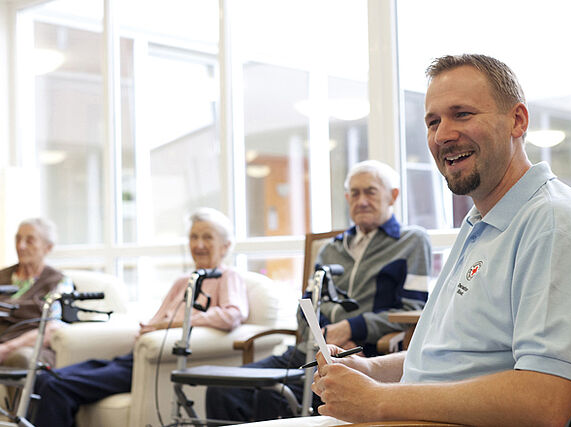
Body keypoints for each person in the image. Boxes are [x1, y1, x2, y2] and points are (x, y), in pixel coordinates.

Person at [309, 54, 571, 427]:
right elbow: (450, 360)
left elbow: (544, 401)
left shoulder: (553, 224)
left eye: (462, 114)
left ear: (518, 121)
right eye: (433, 122)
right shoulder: (482, 221)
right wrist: (370, 370)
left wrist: (379, 400)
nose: (442, 135)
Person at [205, 159, 433, 422]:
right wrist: (326, 339)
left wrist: (352, 329)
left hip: (362, 356)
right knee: (223, 389)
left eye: (370, 192)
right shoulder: (330, 249)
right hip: (310, 351)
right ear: (347, 198)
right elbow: (306, 308)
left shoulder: (411, 241)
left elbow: (413, 309)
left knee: (270, 398)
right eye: (354, 193)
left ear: (393, 196)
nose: (361, 201)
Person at [32, 208, 248, 427]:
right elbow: (155, 321)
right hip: (134, 357)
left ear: (226, 245)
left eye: (207, 237)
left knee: (55, 386)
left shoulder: (228, 276)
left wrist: (174, 324)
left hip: (154, 362)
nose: (199, 244)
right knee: (43, 379)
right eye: (194, 237)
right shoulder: (184, 281)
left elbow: (232, 315)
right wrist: (152, 327)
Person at [0, 218, 73, 368]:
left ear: (48, 248)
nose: (21, 246)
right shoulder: (2, 276)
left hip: (29, 346)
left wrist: (6, 349)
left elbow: (53, 328)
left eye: (30, 241)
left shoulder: (58, 282)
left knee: (22, 358)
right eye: (18, 239)